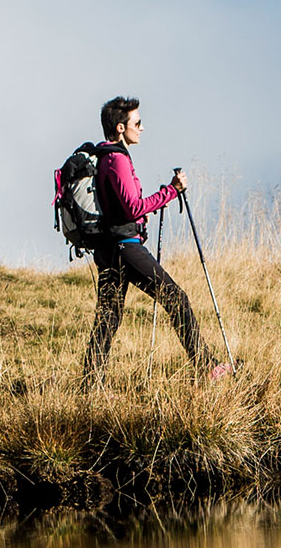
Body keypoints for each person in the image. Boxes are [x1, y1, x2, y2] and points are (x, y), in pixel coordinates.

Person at [80, 95, 229, 387]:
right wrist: (171, 191)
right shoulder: (117, 160)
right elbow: (132, 207)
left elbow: (125, 207)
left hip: (108, 248)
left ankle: (90, 384)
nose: (142, 128)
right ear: (120, 128)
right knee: (176, 298)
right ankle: (206, 366)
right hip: (125, 247)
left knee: (108, 315)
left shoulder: (105, 157)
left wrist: (144, 212)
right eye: (137, 122)